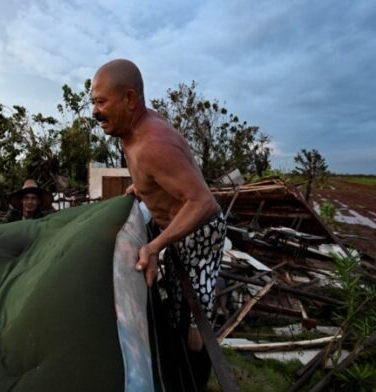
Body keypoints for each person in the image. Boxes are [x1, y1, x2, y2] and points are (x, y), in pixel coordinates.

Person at [91, 59, 226, 376]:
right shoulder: (130, 130)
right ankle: (177, 362)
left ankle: (197, 374)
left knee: (197, 319)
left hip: (201, 233)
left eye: (100, 102)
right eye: (93, 102)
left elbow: (203, 202)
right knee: (177, 301)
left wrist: (154, 247)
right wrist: (140, 188)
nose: (94, 112)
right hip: (179, 231)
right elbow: (160, 177)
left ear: (129, 99)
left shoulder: (153, 144)